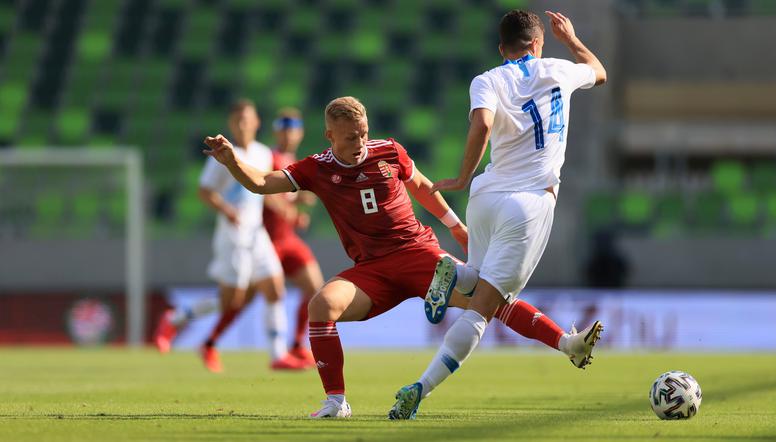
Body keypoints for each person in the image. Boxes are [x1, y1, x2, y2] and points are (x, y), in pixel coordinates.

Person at [202, 96, 588, 419]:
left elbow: (420, 186)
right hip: (370, 271)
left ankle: (566, 344)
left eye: (364, 133)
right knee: (321, 306)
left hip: (418, 255)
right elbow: (261, 183)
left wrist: (454, 225)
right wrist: (232, 161)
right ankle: (337, 401)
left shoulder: (389, 151)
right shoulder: (316, 168)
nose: (361, 142)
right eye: (351, 137)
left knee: (490, 302)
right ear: (330, 136)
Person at [389, 10, 608, 419]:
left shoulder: (487, 79)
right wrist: (573, 39)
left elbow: (483, 125)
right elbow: (598, 70)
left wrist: (461, 176)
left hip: (486, 195)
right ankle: (420, 387)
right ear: (538, 43)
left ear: (501, 48)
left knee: (479, 289)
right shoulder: (559, 69)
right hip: (529, 204)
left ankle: (459, 277)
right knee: (482, 310)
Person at [155, 99, 305, 372]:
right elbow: (204, 192)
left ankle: (278, 355)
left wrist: (288, 208)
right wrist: (226, 210)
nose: (242, 124)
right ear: (231, 124)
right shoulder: (224, 155)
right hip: (233, 235)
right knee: (231, 301)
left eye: (246, 119)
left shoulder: (262, 153)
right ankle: (177, 317)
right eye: (237, 120)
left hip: (256, 233)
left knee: (275, 289)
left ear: (257, 123)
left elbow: (265, 189)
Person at [262, 107, 324, 366]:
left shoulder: (293, 161)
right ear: (277, 131)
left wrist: (298, 198)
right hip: (264, 240)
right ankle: (187, 321)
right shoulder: (268, 157)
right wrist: (291, 213)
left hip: (287, 239)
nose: (289, 134)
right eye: (284, 129)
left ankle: (298, 344)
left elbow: (283, 196)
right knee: (237, 298)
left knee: (314, 288)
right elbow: (264, 193)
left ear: (300, 133)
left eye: (293, 129)